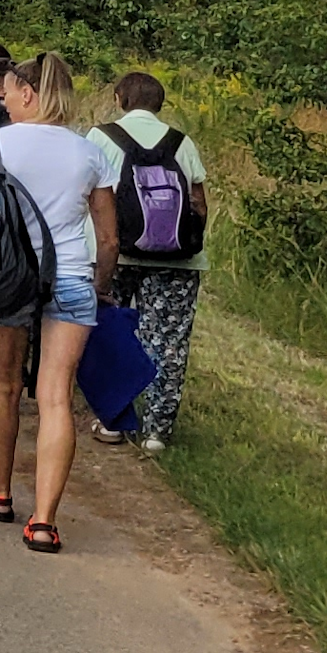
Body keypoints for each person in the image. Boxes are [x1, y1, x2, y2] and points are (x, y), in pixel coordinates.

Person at [0, 52, 105, 551]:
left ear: (27, 93)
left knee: (1, 383)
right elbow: (107, 236)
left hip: (5, 276)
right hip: (69, 276)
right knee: (56, 396)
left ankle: (0, 493)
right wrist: (100, 283)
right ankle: (44, 520)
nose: (3, 99)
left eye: (9, 90)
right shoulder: (89, 152)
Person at [93, 72, 211, 453]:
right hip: (177, 260)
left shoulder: (101, 137)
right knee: (170, 341)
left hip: (118, 254)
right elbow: (200, 204)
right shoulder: (182, 142)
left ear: (119, 98)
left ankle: (114, 419)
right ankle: (157, 431)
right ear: (160, 104)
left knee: (112, 332)